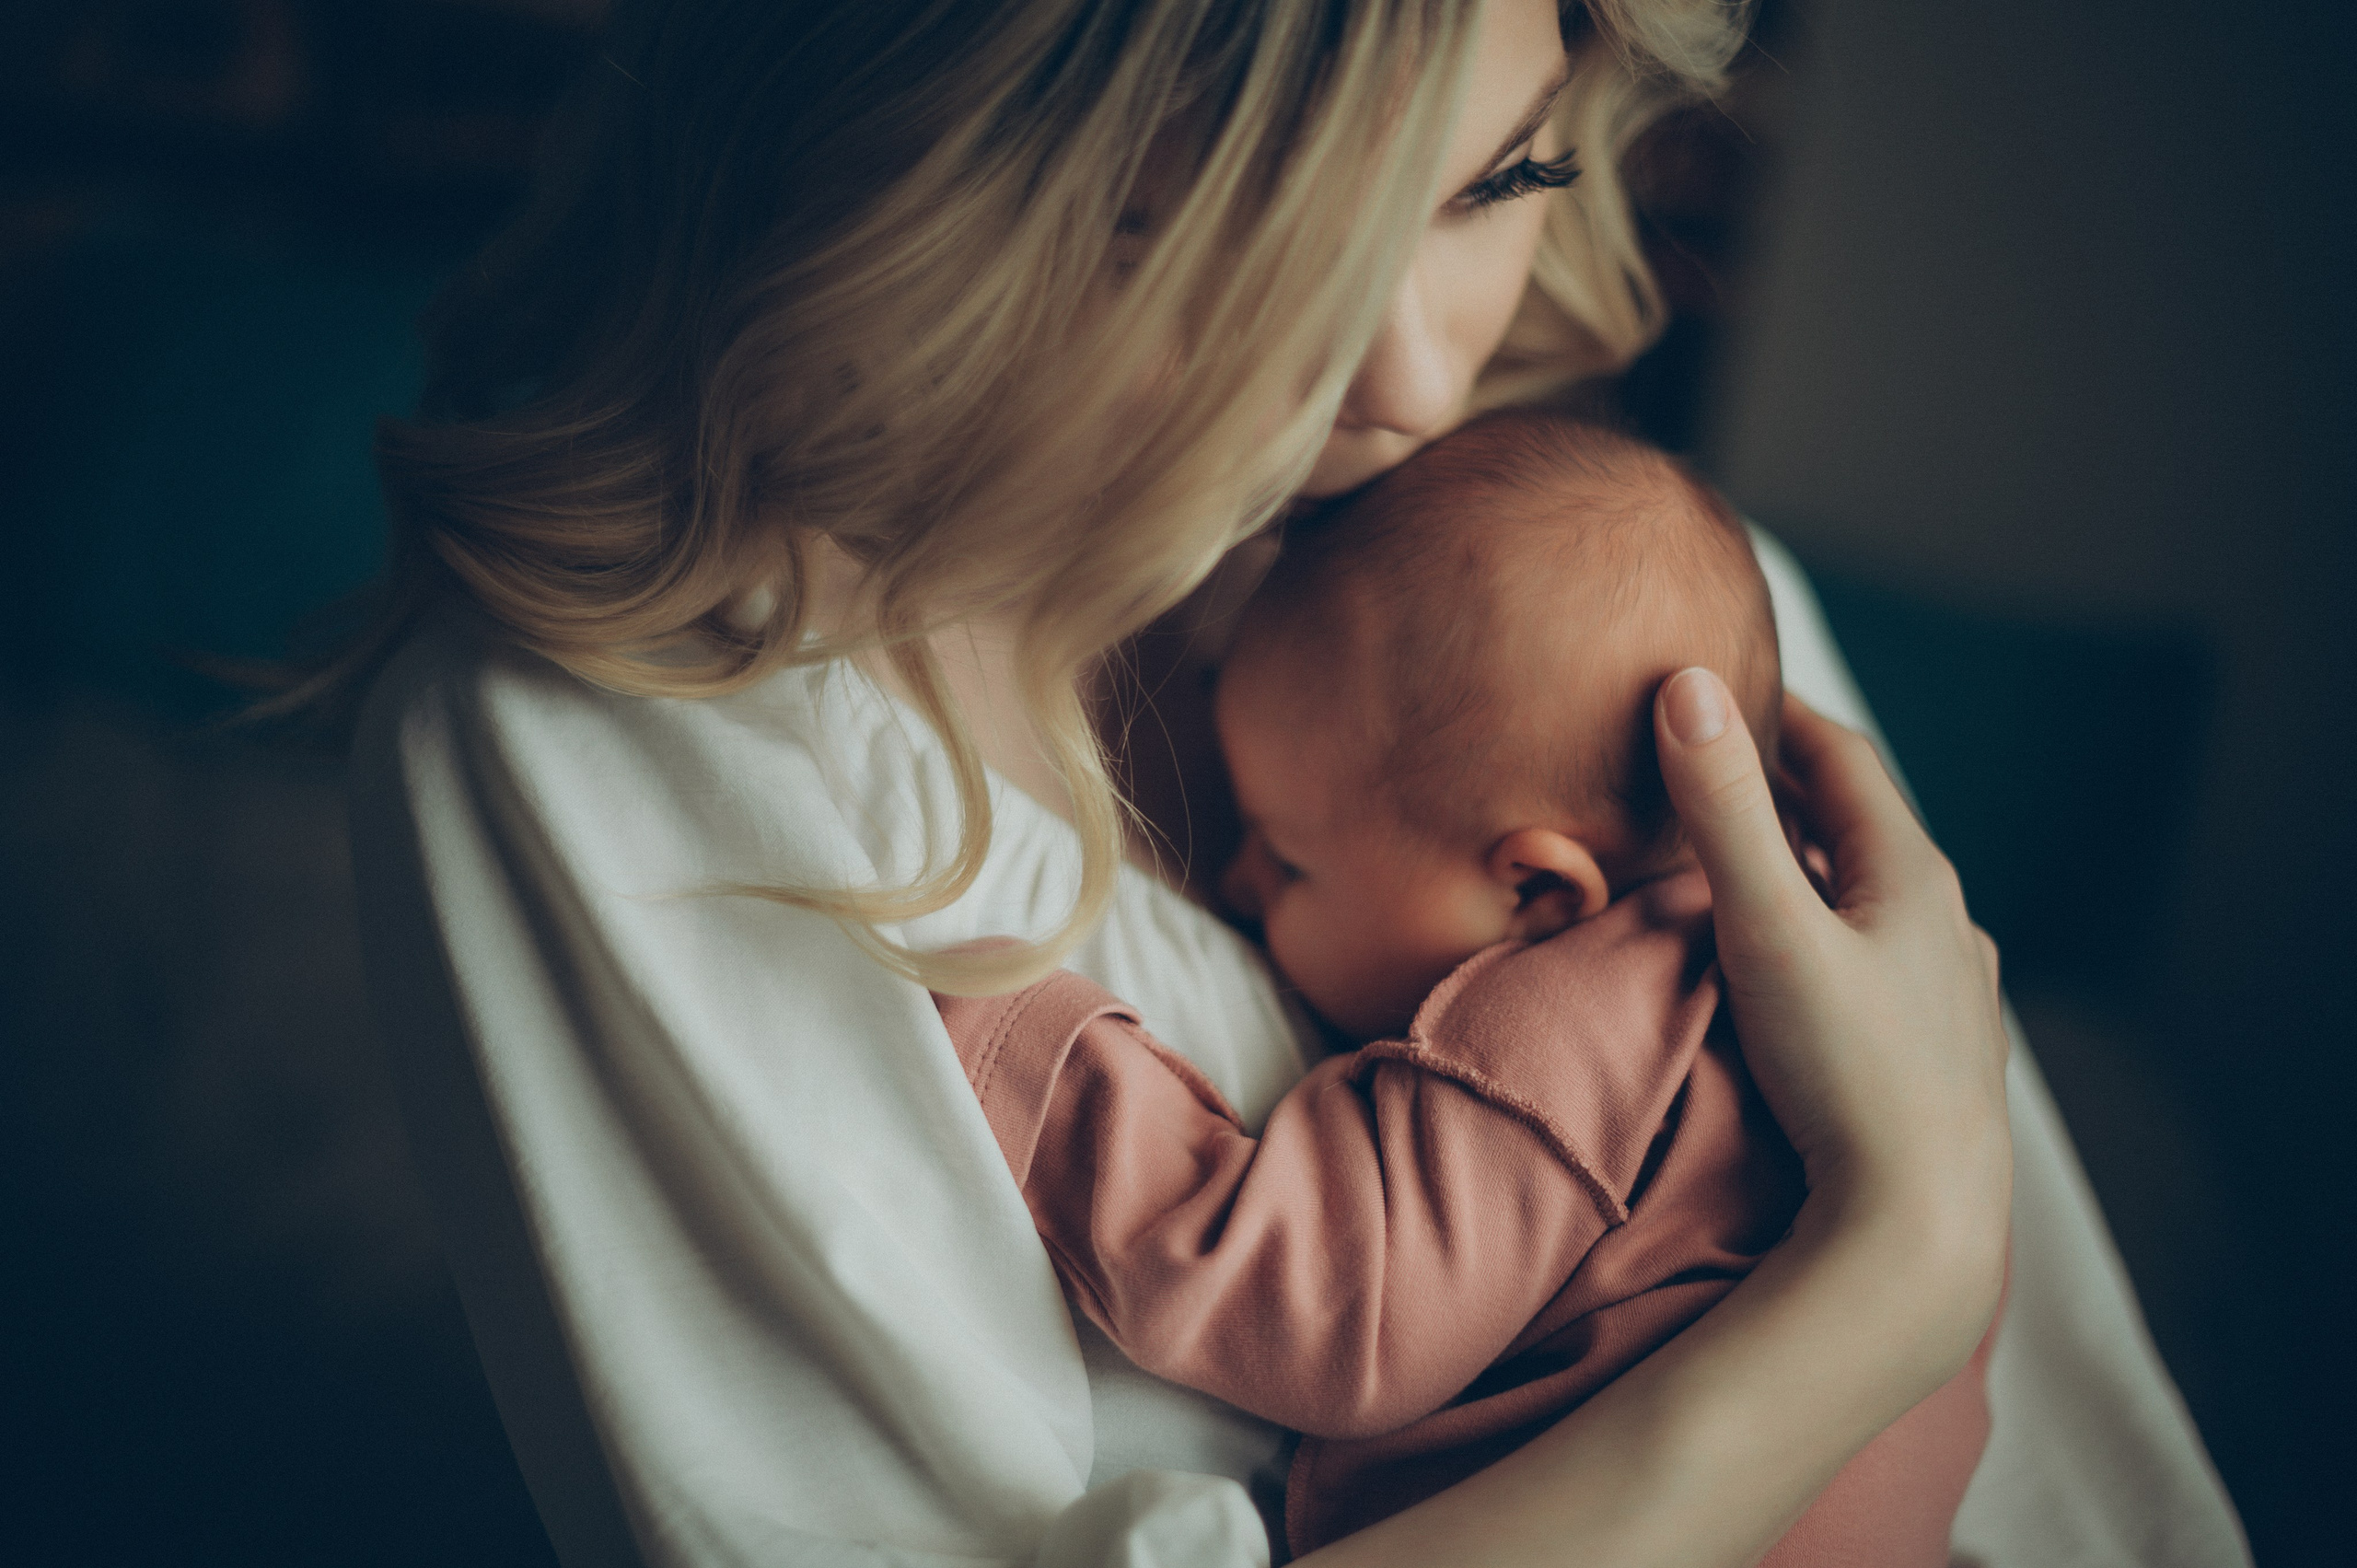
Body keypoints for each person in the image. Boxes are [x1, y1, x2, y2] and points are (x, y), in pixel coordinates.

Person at [342, 2, 2243, 1564]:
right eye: (1228, 237)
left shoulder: (1658, 653)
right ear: (919, 183)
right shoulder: (604, 749)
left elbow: (2095, 1504)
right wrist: (1892, 1270)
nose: (1414, 384)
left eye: (1499, 180)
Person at [933, 411, 1996, 1561]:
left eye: (1288, 856)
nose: (1237, 882)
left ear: (1535, 892)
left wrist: (1020, 1034)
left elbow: (1331, 1308)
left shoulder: (1571, 1014)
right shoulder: (1837, 940)